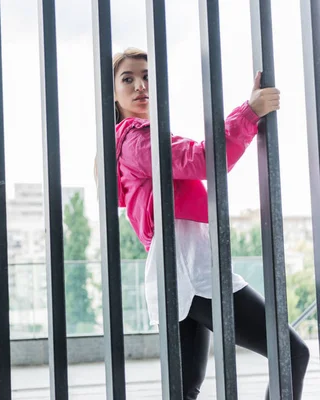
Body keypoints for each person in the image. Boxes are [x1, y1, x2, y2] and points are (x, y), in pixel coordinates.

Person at [109, 47, 310, 399]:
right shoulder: (137, 139)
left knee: (184, 389)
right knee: (291, 352)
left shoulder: (135, 140)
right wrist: (249, 112)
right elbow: (202, 159)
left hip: (178, 271)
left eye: (147, 77)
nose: (140, 85)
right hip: (192, 270)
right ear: (112, 93)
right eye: (128, 79)